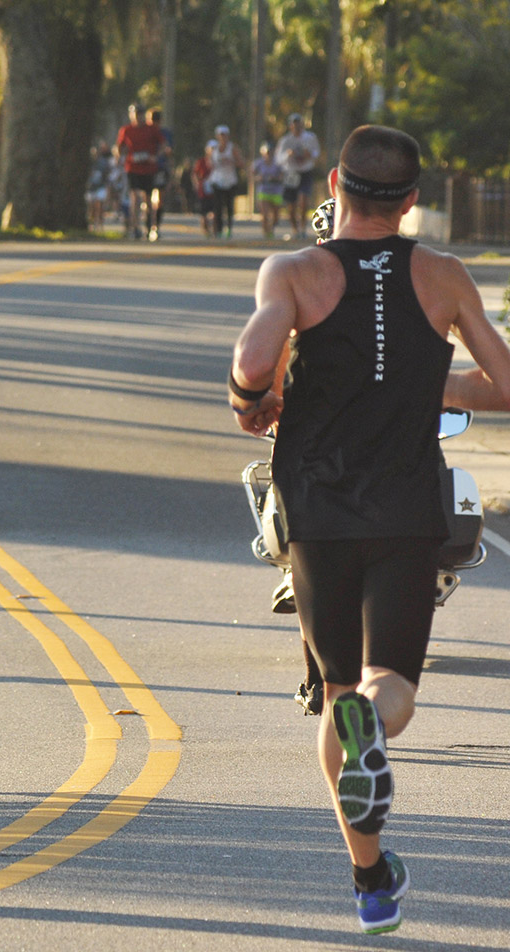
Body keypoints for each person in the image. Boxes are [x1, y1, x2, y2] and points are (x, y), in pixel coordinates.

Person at [229, 125, 510, 934]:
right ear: (413, 201)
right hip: (405, 510)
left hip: (316, 513)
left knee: (337, 692)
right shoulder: (444, 275)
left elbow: (253, 364)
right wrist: (428, 381)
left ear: (332, 186)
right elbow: (502, 380)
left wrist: (252, 395)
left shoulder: (294, 272)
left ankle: (370, 875)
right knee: (392, 690)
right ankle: (374, 740)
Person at [114, 103, 163, 240]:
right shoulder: (126, 130)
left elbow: (163, 145)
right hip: (132, 167)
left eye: (140, 114)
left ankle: (151, 227)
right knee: (134, 197)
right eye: (135, 114)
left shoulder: (152, 129)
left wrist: (156, 156)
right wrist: (119, 156)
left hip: (148, 168)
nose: (137, 117)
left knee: (148, 198)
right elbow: (119, 146)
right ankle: (135, 228)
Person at [277, 112, 323, 239]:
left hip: (305, 172)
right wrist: (288, 155)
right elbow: (278, 158)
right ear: (290, 126)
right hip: (291, 173)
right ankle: (294, 229)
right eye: (294, 125)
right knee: (291, 204)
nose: (297, 128)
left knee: (303, 201)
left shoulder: (310, 137)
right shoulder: (285, 140)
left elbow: (316, 153)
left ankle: (303, 228)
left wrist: (309, 155)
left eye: (299, 125)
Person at [206, 126, 244, 238]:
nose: (223, 137)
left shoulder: (233, 148)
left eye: (225, 135)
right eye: (220, 135)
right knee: (218, 206)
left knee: (229, 206)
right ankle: (218, 230)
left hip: (230, 181)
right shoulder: (213, 149)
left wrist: (231, 161)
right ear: (217, 136)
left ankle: (229, 228)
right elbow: (209, 164)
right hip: (217, 180)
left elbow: (241, 163)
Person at [146, 108, 174, 239]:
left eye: (156, 120)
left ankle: (155, 226)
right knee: (147, 199)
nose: (153, 123)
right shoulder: (144, 132)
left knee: (159, 199)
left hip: (160, 168)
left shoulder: (165, 133)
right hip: (145, 169)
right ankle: (148, 225)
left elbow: (169, 151)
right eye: (151, 120)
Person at [253, 141, 286, 239]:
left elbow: (282, 175)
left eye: (270, 152)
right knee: (265, 214)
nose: (269, 154)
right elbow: (253, 175)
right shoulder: (259, 163)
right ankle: (266, 233)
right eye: (267, 152)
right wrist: (259, 178)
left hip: (276, 191)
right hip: (263, 191)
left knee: (276, 216)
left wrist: (275, 178)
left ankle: (271, 228)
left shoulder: (278, 163)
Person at [86, 141, 113, 231]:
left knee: (100, 205)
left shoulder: (103, 162)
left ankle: (100, 224)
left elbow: (108, 174)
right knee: (91, 207)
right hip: (90, 187)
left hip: (100, 186)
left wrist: (107, 185)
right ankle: (92, 224)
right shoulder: (88, 162)